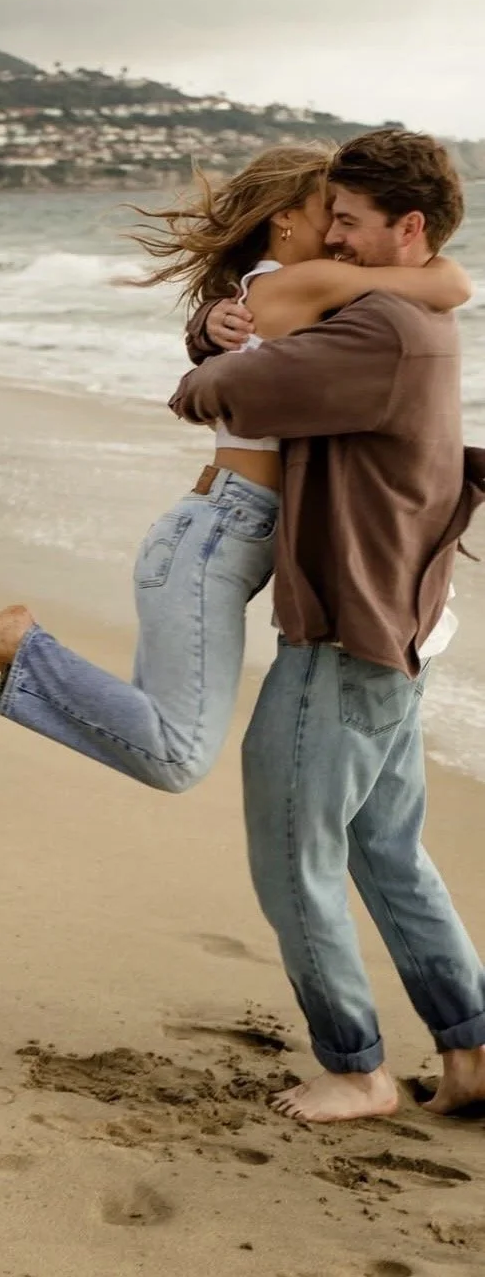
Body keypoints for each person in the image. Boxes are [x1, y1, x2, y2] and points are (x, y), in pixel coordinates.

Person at [0, 144, 471, 799]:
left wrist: (207, 325)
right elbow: (449, 283)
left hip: (224, 531)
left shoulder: (275, 289)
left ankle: (23, 655)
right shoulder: (302, 284)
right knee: (177, 756)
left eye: (350, 217)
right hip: (219, 532)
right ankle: (21, 647)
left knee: (164, 729)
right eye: (331, 215)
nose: (341, 234)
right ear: (286, 220)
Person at [163, 129, 485, 1123]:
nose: (332, 240)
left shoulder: (377, 328)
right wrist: (237, 326)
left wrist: (223, 346)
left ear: (409, 229)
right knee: (387, 848)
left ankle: (356, 1067)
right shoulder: (399, 313)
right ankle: (473, 1053)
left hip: (348, 632)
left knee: (290, 846)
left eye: (348, 223)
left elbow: (215, 394)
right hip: (400, 622)